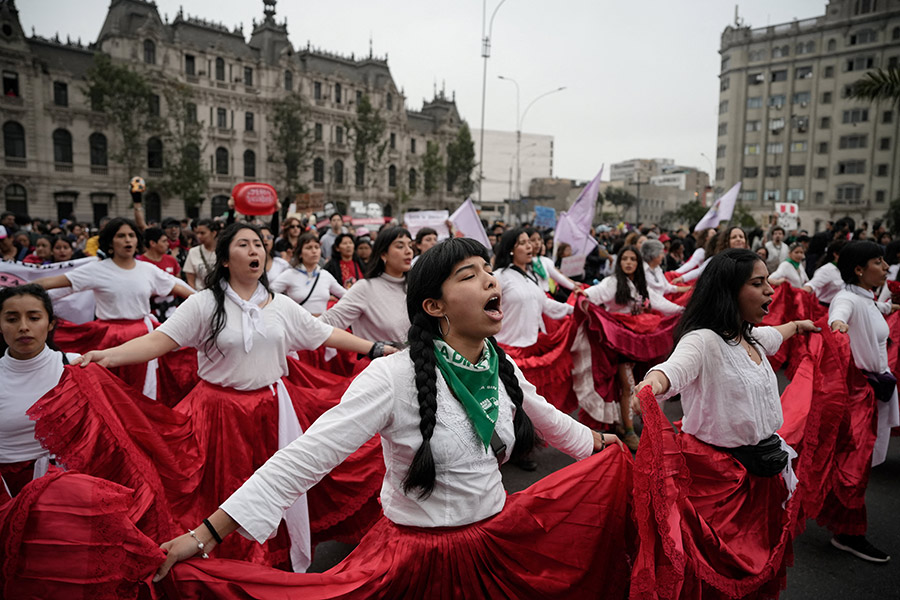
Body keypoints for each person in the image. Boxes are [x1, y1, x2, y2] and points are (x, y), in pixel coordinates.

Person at [151, 237, 632, 600]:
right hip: (416, 562)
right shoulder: (392, 377)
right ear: (434, 305)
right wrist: (206, 534)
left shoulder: (497, 364)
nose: (490, 280)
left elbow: (546, 417)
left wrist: (602, 442)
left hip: (496, 546)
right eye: (470, 275)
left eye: (489, 271)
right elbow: (304, 458)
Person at [72, 222, 394, 571]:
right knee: (218, 490)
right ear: (225, 259)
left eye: (259, 244)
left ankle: (266, 562)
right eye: (244, 244)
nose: (255, 250)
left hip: (271, 410)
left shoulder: (280, 305)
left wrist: (375, 348)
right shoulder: (204, 304)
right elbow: (157, 342)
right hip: (218, 413)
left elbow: (323, 334)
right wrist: (107, 355)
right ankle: (222, 565)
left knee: (274, 485)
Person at [632, 248, 817, 598]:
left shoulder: (751, 336)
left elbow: (778, 332)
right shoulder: (702, 340)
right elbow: (672, 370)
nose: (770, 291)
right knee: (716, 575)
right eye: (758, 284)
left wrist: (798, 326)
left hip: (763, 477)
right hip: (719, 484)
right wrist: (651, 384)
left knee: (760, 569)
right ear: (729, 292)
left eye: (768, 282)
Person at [32, 218, 193, 398]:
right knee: (110, 390)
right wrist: (17, 291)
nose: (127, 240)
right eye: (121, 236)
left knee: (144, 388)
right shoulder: (96, 269)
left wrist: (205, 302)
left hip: (144, 335)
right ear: (110, 241)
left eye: (131, 235)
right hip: (108, 336)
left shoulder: (148, 269)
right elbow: (51, 283)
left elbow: (177, 286)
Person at [825, 241, 899, 563]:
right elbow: (840, 313)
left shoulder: (867, 298)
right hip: (858, 397)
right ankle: (849, 533)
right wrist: (837, 326)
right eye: (878, 261)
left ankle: (844, 525)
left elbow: (873, 310)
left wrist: (890, 308)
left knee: (857, 465)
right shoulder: (846, 299)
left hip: (873, 392)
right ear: (858, 269)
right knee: (853, 468)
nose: (885, 267)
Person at [584, 245, 684, 450]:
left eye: (633, 259)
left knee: (643, 383)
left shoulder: (641, 284)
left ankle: (640, 425)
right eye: (625, 259)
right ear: (619, 263)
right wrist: (580, 295)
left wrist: (684, 310)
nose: (628, 262)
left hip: (641, 342)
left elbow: (661, 304)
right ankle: (629, 432)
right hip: (620, 344)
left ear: (638, 263)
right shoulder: (612, 282)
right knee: (628, 385)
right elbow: (591, 295)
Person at [0, 285, 80, 497]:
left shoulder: (74, 366)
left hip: (65, 485)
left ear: (50, 323)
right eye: (12, 319)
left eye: (34, 318)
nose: (23, 327)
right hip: (7, 489)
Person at [320, 227, 413, 343]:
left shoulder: (416, 286)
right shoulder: (365, 288)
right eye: (400, 246)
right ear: (383, 254)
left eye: (410, 245)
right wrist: (370, 348)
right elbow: (325, 323)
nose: (408, 251)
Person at [271, 232, 344, 316]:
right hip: (298, 326)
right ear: (300, 253)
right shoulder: (290, 274)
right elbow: (268, 295)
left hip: (322, 325)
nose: (314, 251)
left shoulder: (325, 275)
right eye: (309, 248)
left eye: (317, 247)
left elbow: (346, 296)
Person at [137, 227, 185, 323]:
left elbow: (178, 283)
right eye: (164, 241)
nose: (167, 244)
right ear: (153, 243)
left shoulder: (171, 260)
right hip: (150, 314)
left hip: (172, 312)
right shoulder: (139, 262)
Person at [525, 227, 580, 298]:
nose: (537, 243)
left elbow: (558, 277)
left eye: (539, 239)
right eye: (533, 240)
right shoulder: (523, 262)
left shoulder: (544, 260)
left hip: (546, 296)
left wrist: (573, 286)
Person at [803, 239, 847, 305]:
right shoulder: (827, 270)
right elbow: (812, 285)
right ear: (836, 254)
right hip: (824, 310)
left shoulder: (848, 269)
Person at [183, 219, 218, 290]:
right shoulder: (193, 252)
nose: (199, 236)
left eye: (202, 233)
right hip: (200, 294)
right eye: (197, 233)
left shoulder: (224, 251)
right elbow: (190, 279)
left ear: (214, 233)